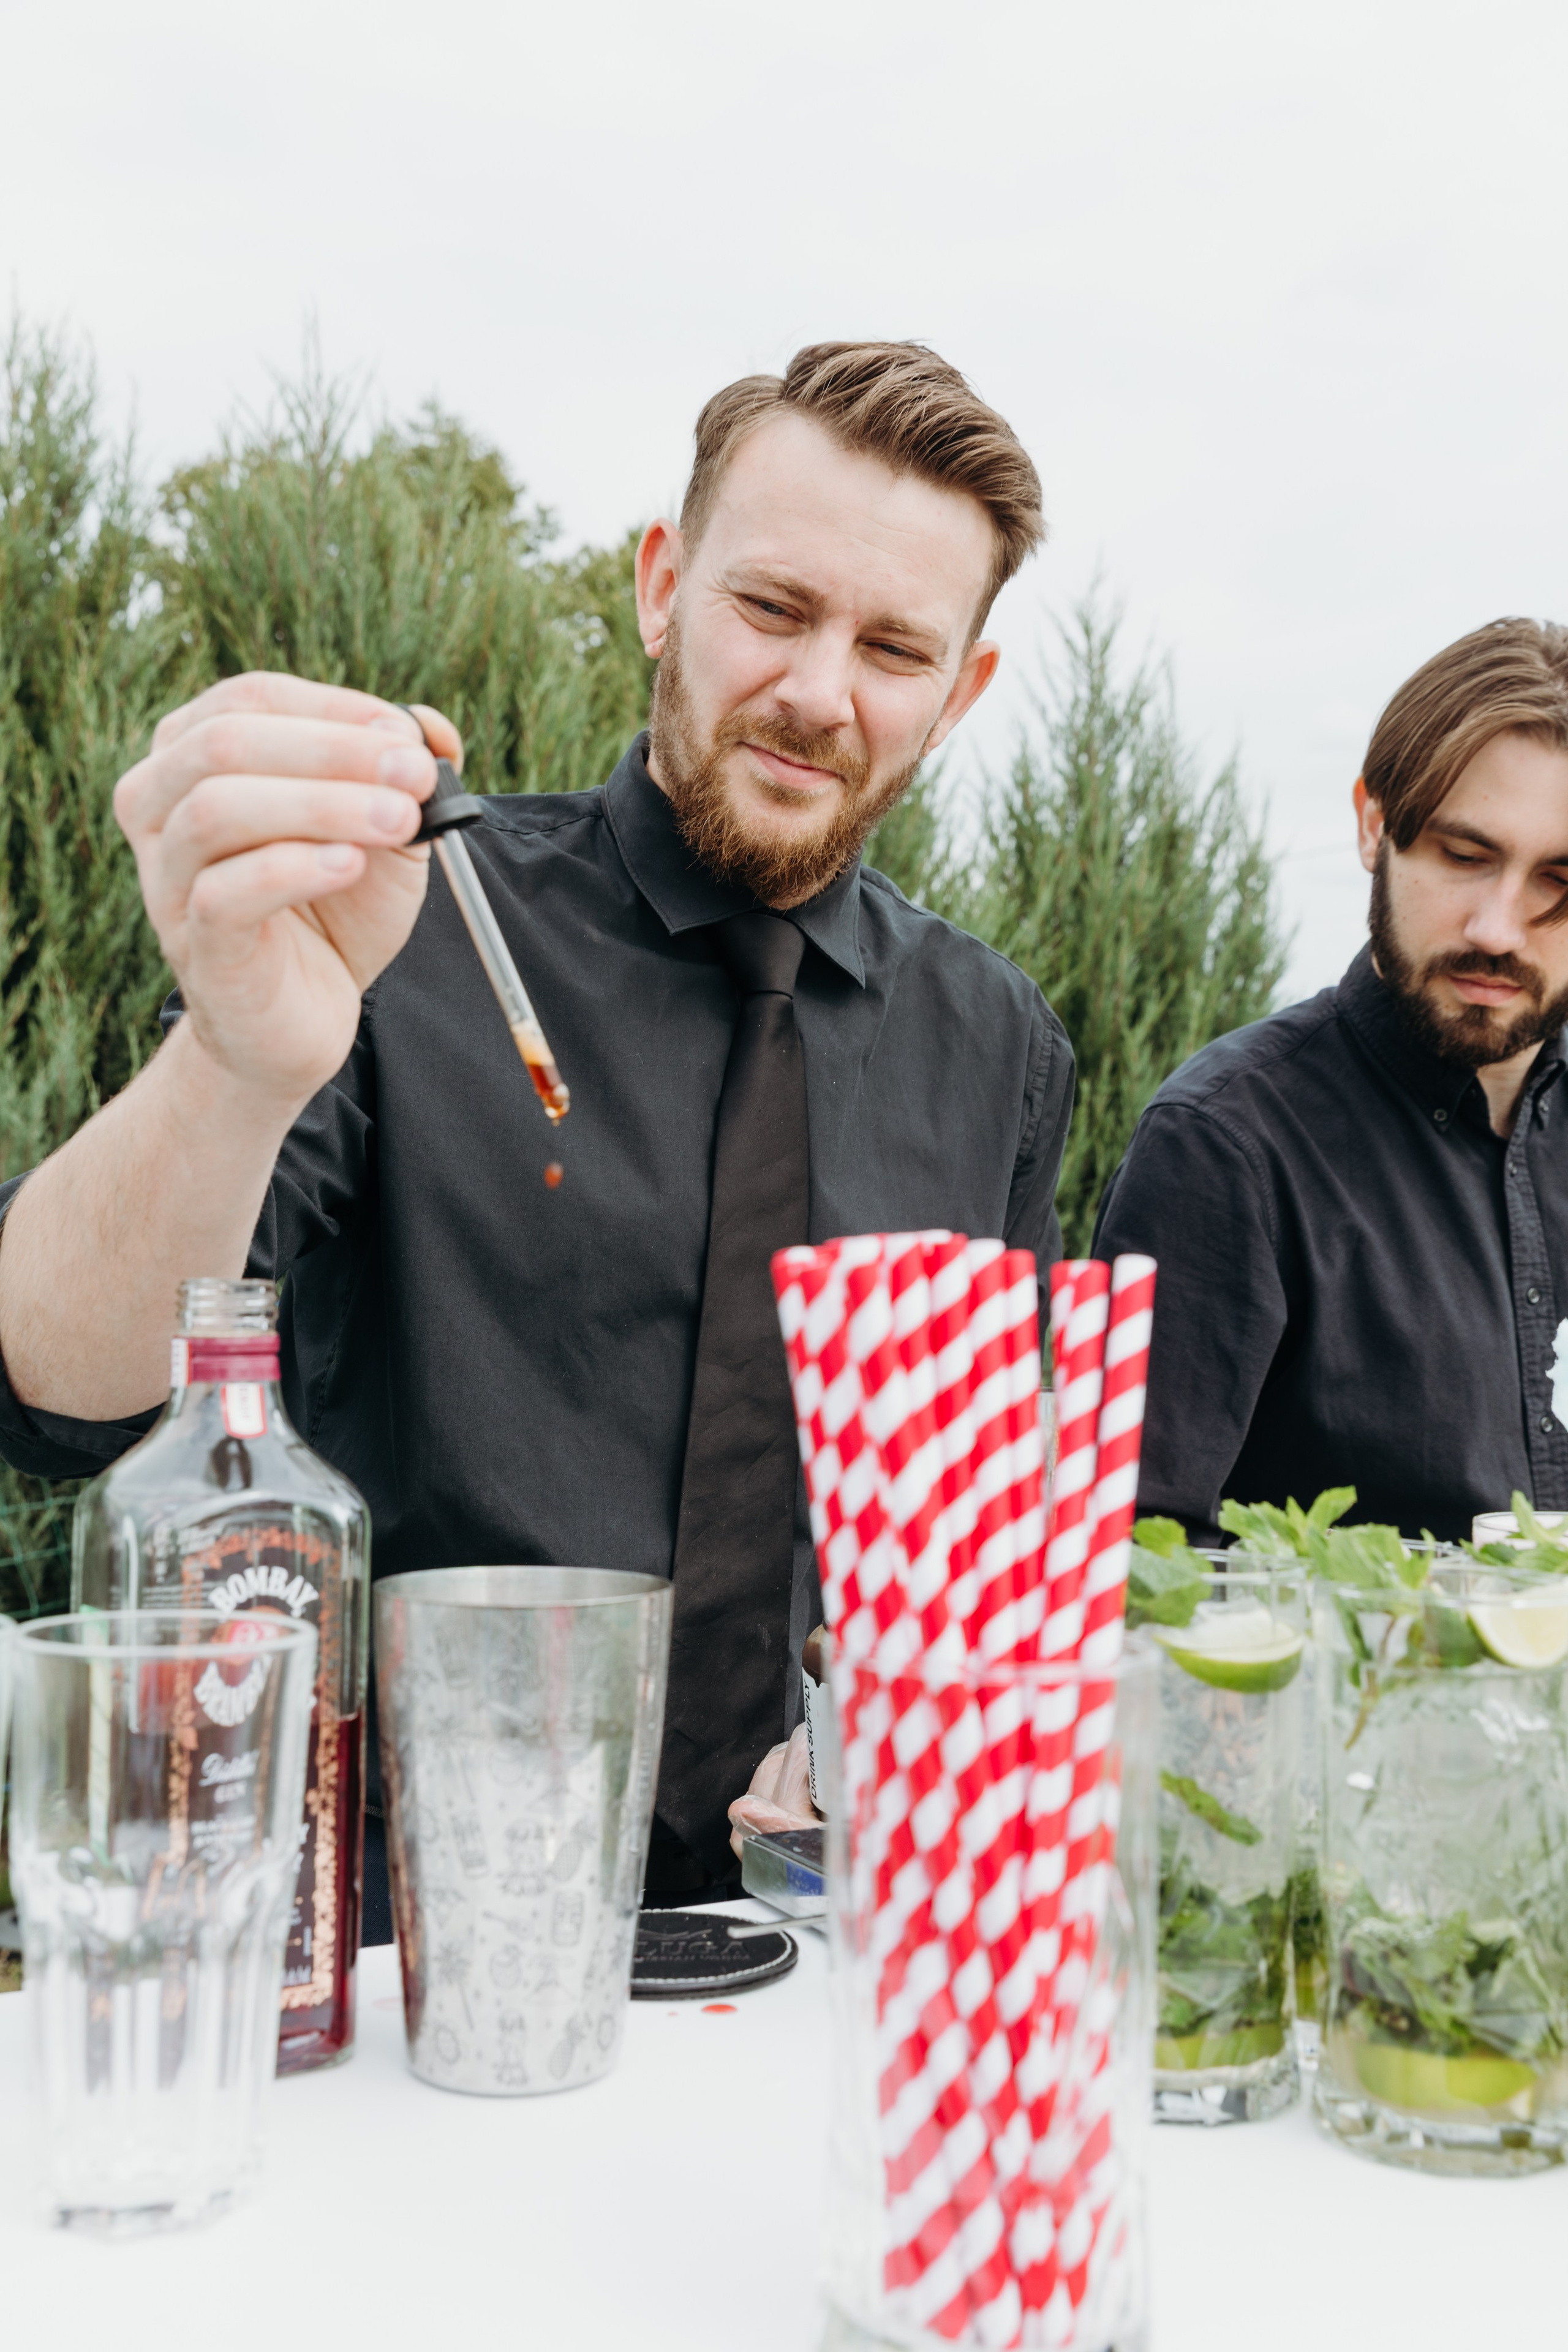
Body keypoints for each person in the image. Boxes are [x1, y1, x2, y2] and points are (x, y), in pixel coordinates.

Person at [0, 341, 1072, 1918]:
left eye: (894, 647)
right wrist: (239, 1059)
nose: (817, 692)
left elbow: (957, 1541)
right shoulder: (403, 926)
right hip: (398, 1941)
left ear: (959, 690)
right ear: (662, 589)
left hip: (799, 1947)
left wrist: (878, 1724)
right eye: (772, 608)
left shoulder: (997, 1045)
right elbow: (58, 1389)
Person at [1095, 617, 1568, 1544]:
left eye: (1560, 879)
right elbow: (1142, 1568)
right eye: (1464, 855)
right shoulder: (1222, 1146)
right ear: (1372, 825)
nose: (1498, 928)